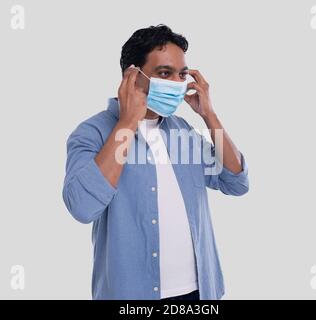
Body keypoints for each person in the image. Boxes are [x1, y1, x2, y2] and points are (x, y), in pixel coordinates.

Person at [62, 24, 249, 300]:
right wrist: (127, 122)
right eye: (164, 73)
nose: (176, 83)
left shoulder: (183, 131)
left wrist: (209, 115)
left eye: (181, 74)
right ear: (133, 76)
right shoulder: (93, 133)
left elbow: (236, 182)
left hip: (199, 292)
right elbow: (82, 207)